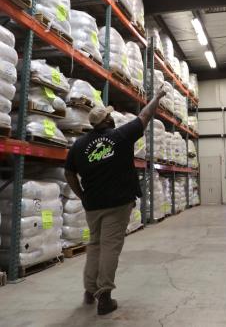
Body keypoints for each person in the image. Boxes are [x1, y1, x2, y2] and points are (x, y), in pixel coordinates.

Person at [64, 85, 166, 315]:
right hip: (117, 204)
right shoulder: (120, 137)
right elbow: (145, 115)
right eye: (110, 115)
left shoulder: (79, 145)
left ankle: (90, 290)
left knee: (95, 246)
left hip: (93, 205)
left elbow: (69, 173)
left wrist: (81, 195)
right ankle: (105, 296)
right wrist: (157, 97)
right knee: (110, 247)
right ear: (108, 121)